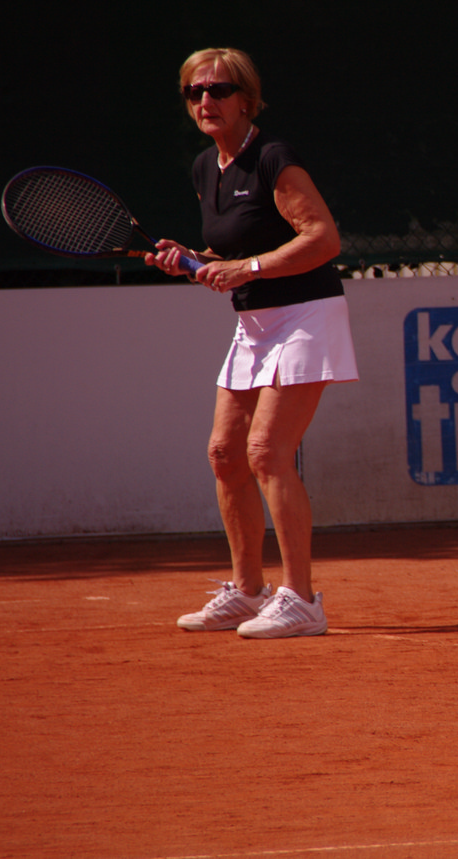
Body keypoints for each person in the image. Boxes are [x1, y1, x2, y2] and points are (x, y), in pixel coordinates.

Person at [147, 47, 358, 639]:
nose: (205, 101)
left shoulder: (273, 159)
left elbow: (323, 239)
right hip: (256, 325)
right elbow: (232, 251)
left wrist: (248, 268)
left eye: (218, 90)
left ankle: (302, 600)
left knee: (266, 452)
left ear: (247, 99)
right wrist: (193, 259)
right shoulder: (204, 168)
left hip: (306, 316)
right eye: (194, 92)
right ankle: (246, 592)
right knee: (225, 454)